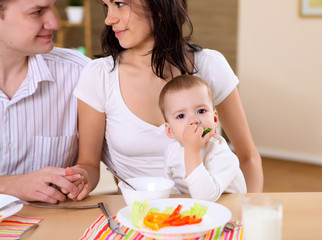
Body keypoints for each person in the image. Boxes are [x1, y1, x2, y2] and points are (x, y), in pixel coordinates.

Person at [67, 0, 263, 200]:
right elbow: (89, 164)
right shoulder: (99, 75)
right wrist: (80, 178)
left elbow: (248, 157)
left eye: (119, 4)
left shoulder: (210, 66)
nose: (109, 19)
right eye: (106, 6)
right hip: (138, 217)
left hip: (210, 214)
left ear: (159, 7)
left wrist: (248, 212)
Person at [0, 0, 91, 203]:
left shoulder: (80, 73)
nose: (54, 23)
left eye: (53, 9)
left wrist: (81, 178)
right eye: (37, 12)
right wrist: (10, 185)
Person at [159, 75, 247, 201]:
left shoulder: (222, 154)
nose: (194, 121)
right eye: (181, 116)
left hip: (231, 214)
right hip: (198, 214)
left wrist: (192, 152)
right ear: (169, 130)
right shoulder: (171, 152)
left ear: (215, 119)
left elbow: (206, 197)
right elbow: (172, 191)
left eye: (201, 111)